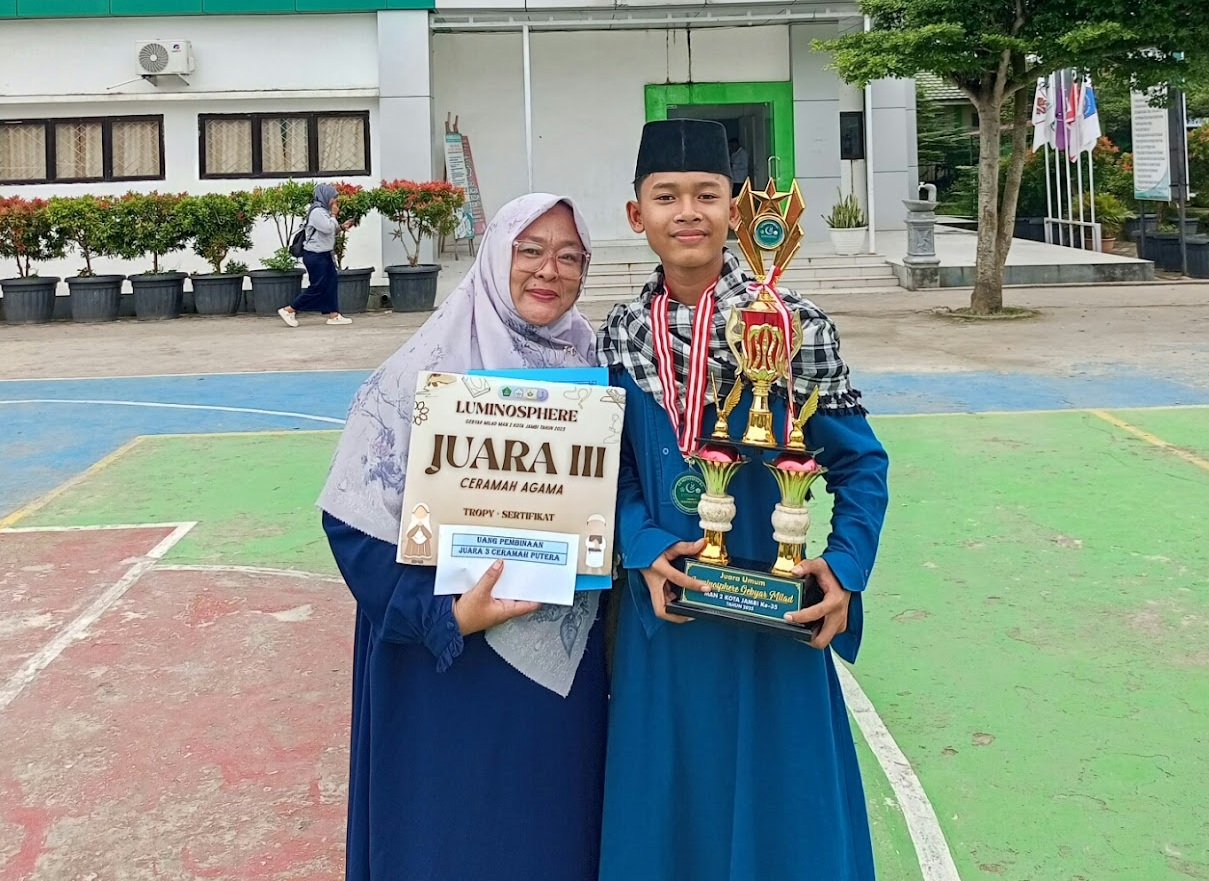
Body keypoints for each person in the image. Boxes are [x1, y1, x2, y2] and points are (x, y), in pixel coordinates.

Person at [596, 118, 890, 881]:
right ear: (636, 214)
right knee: (667, 817)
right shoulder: (621, 333)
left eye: (706, 194)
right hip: (669, 612)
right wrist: (642, 544)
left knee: (785, 818)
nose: (686, 212)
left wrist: (844, 565)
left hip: (773, 616)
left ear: (735, 210)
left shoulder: (791, 325)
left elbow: (859, 462)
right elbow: (611, 469)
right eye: (665, 196)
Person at [317, 193, 608, 881]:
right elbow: (351, 517)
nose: (549, 270)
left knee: (550, 832)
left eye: (569, 256)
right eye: (530, 250)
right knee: (450, 836)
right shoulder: (422, 367)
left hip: (556, 673)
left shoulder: (590, 365)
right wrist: (444, 614)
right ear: (495, 254)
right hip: (448, 665)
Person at [278, 182, 354, 327]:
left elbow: (329, 230)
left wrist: (341, 227)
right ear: (326, 197)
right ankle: (289, 309)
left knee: (331, 283)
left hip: (324, 254)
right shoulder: (317, 212)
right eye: (333, 198)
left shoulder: (323, 211)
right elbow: (327, 228)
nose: (335, 201)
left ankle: (334, 315)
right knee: (318, 286)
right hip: (315, 256)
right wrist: (334, 215)